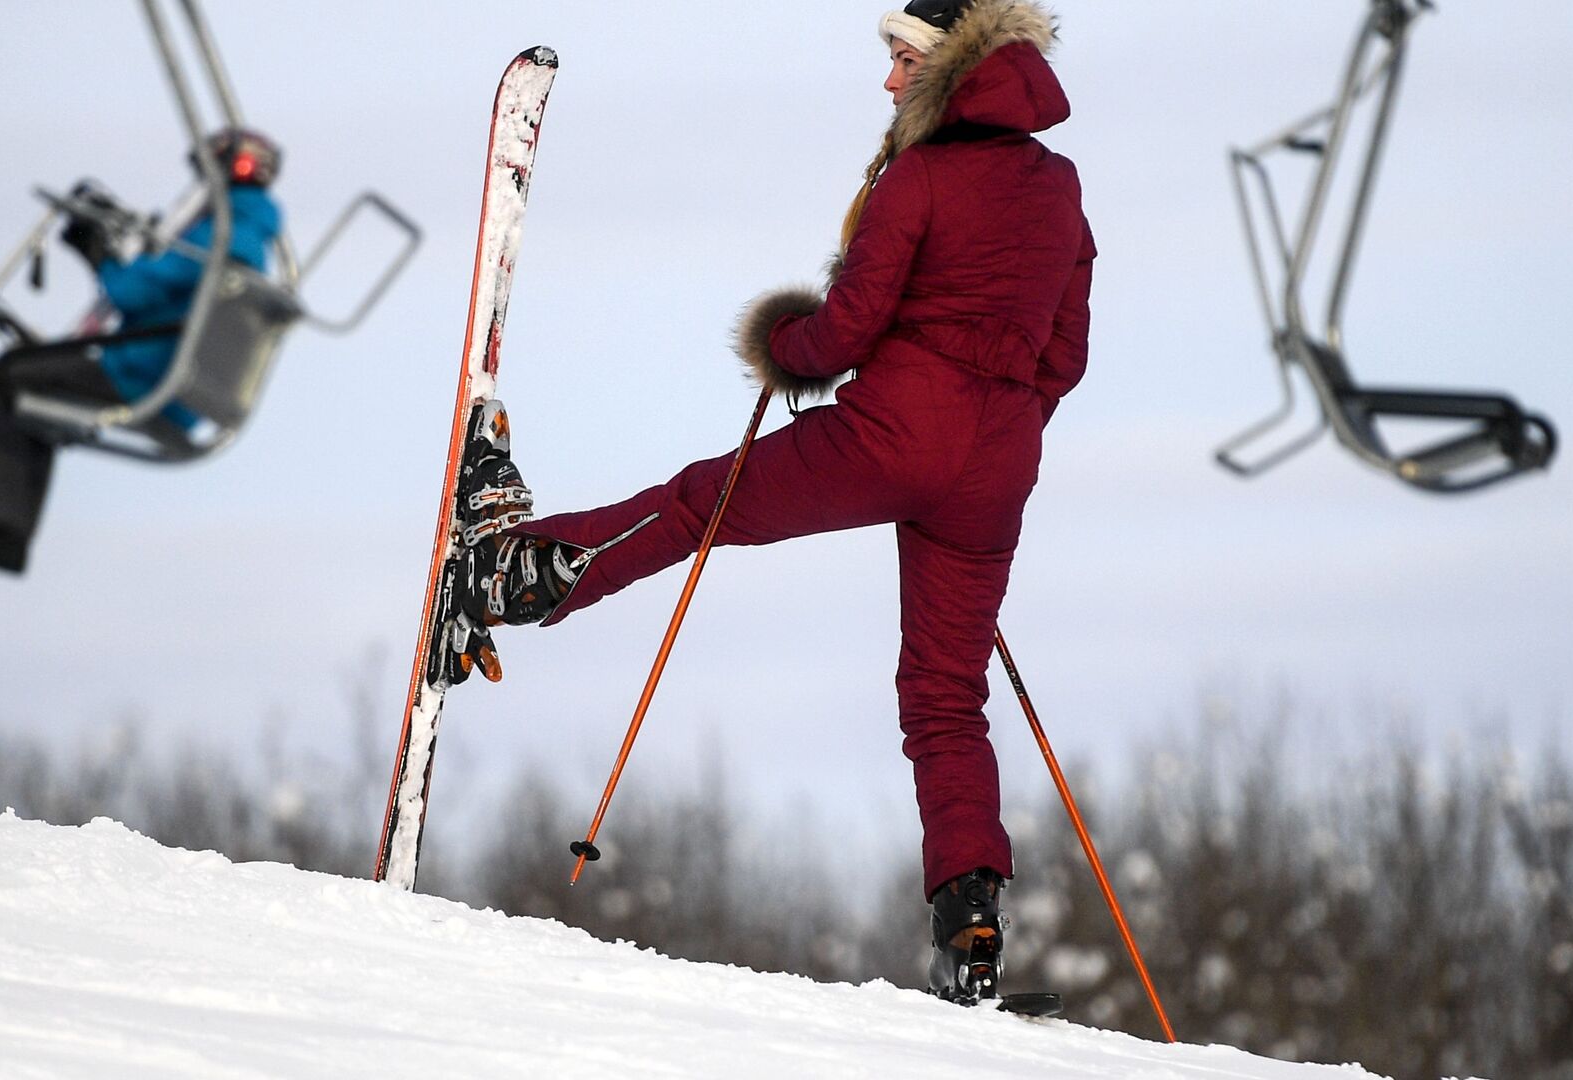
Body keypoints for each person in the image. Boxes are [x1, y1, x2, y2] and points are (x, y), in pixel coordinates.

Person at [454, 0, 1095, 1005]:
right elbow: (1066, 356)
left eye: (900, 61)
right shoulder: (1060, 188)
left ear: (947, 70)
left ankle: (514, 573)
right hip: (997, 469)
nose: (888, 81)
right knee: (944, 694)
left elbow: (842, 335)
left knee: (699, 503)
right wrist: (991, 426)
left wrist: (782, 342)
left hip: (892, 436)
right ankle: (968, 932)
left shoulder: (917, 177)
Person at [0, 128, 285, 574]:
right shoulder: (252, 242)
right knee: (40, 397)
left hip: (143, 375)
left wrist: (99, 253)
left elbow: (132, 292)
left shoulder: (216, 234)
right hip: (181, 390)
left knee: (7, 377)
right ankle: (1, 529)